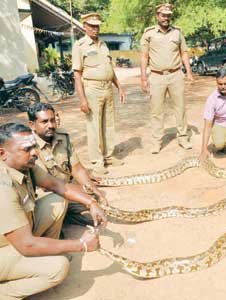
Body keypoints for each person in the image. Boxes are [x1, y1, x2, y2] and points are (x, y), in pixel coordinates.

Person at [0, 122, 106, 299]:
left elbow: (57, 185)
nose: (35, 152)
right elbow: (27, 245)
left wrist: (91, 203)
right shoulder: (3, 189)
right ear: (2, 154)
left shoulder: (25, 166)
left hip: (16, 237)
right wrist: (82, 245)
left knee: (56, 200)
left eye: (34, 145)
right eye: (27, 149)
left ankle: (40, 257)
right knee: (58, 267)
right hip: (13, 245)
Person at [28, 103, 107, 226]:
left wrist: (93, 189)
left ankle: (67, 216)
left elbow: (77, 169)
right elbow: (48, 185)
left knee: (94, 198)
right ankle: (55, 223)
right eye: (44, 122)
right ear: (32, 125)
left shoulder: (62, 137)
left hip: (64, 188)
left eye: (52, 120)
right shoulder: (28, 146)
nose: (51, 125)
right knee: (61, 202)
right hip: (45, 193)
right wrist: (84, 197)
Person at [72, 12, 125, 176]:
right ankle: (97, 162)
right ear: (85, 27)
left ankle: (108, 156)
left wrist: (119, 87)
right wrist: (82, 100)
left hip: (107, 88)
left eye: (97, 26)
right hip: (92, 89)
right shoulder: (80, 46)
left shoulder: (103, 45)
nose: (95, 29)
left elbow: (109, 68)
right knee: (94, 126)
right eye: (92, 26)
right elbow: (77, 75)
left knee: (108, 124)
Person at [140, 3, 194, 154]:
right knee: (156, 111)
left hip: (176, 75)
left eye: (168, 16)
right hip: (156, 76)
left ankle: (183, 138)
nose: (166, 18)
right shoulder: (149, 34)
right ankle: (157, 141)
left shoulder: (177, 33)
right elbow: (144, 56)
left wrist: (188, 72)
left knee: (180, 108)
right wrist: (143, 78)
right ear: (157, 16)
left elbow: (184, 53)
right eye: (163, 15)